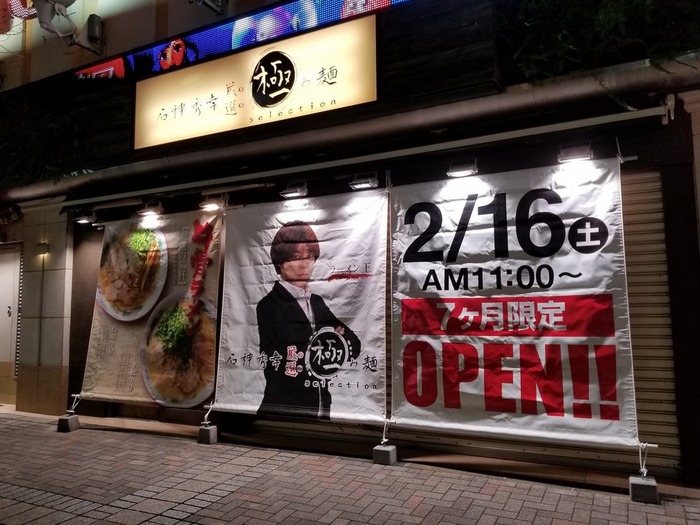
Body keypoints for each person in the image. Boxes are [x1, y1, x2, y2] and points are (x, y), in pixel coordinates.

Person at [256, 220, 361, 419]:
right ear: (280, 262)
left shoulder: (317, 302)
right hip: (284, 411)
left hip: (321, 408)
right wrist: (329, 340)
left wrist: (324, 343)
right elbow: (284, 360)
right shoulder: (269, 305)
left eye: (310, 256)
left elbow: (354, 344)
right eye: (296, 257)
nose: (305, 264)